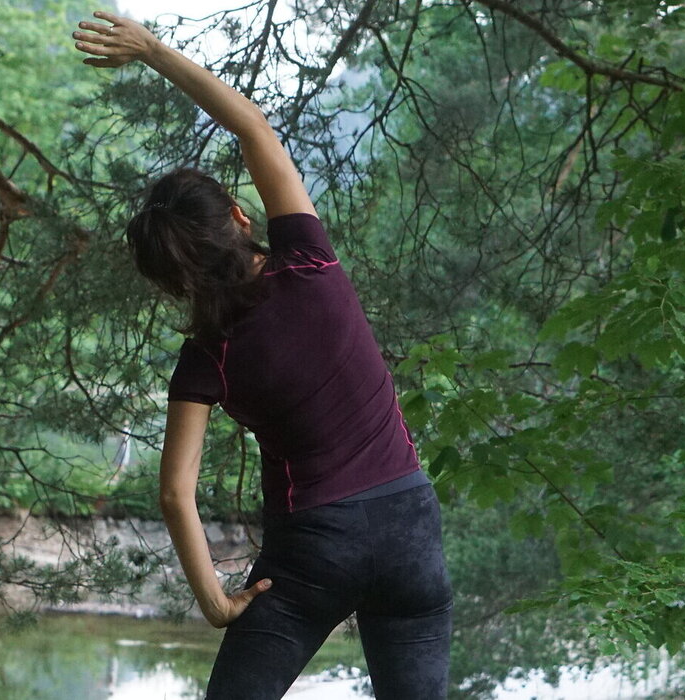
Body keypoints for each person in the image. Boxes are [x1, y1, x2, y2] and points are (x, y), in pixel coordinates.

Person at [74, 11, 453, 699]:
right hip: (410, 528)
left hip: (315, 550)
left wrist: (216, 601)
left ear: (169, 283)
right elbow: (251, 126)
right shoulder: (308, 259)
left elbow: (174, 494)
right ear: (242, 220)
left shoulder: (203, 361)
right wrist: (153, 49)